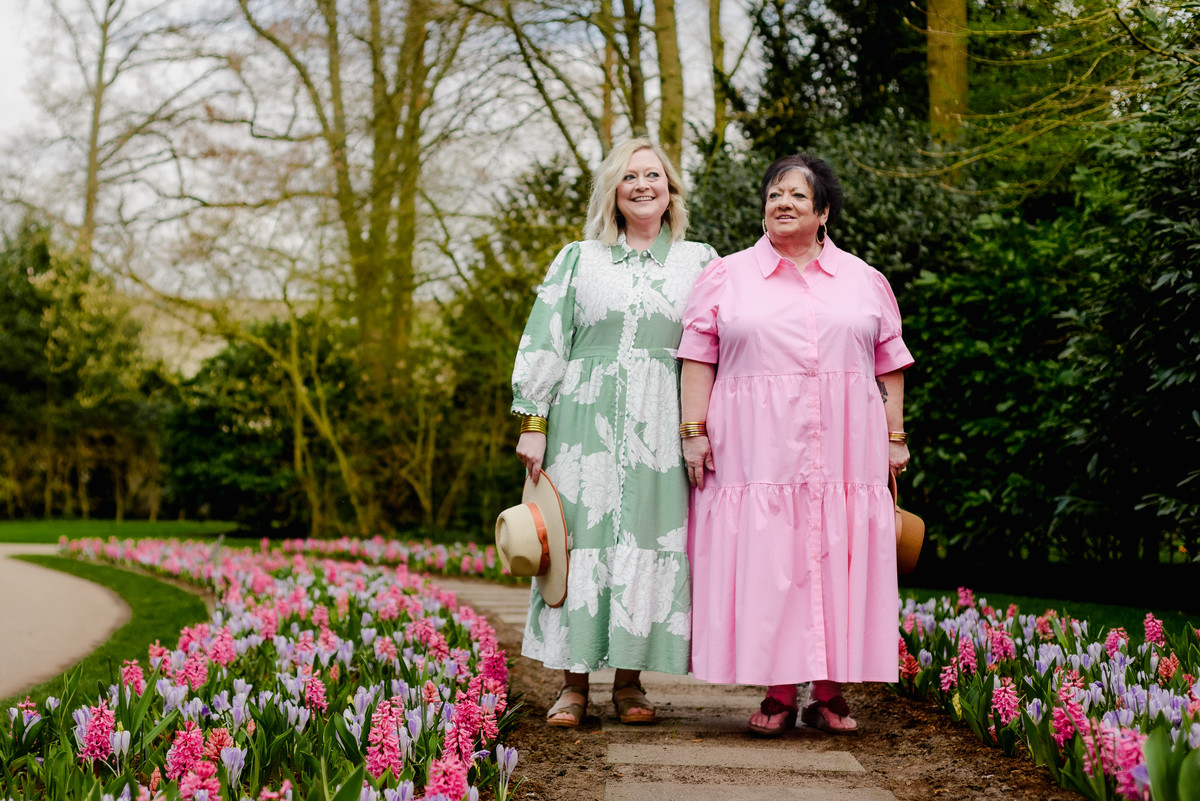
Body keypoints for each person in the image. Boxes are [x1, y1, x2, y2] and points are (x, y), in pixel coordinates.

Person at [677, 153, 913, 736]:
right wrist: (693, 432)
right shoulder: (726, 275)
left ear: (824, 211)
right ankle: (780, 693)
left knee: (838, 553)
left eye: (798, 195)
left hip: (844, 449)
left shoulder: (865, 280)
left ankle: (831, 694)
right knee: (773, 559)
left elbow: (890, 366)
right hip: (755, 450)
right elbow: (696, 359)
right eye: (774, 193)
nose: (782, 203)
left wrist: (896, 438)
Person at [511, 138, 718, 728]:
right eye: (630, 177)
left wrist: (703, 424)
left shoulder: (700, 262)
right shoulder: (579, 258)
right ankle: (572, 685)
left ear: (670, 188)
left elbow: (717, 346)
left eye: (654, 175)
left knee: (649, 542)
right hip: (583, 423)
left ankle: (630, 683)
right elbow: (545, 336)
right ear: (614, 192)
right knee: (578, 542)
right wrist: (533, 420)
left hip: (662, 421)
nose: (643, 185)